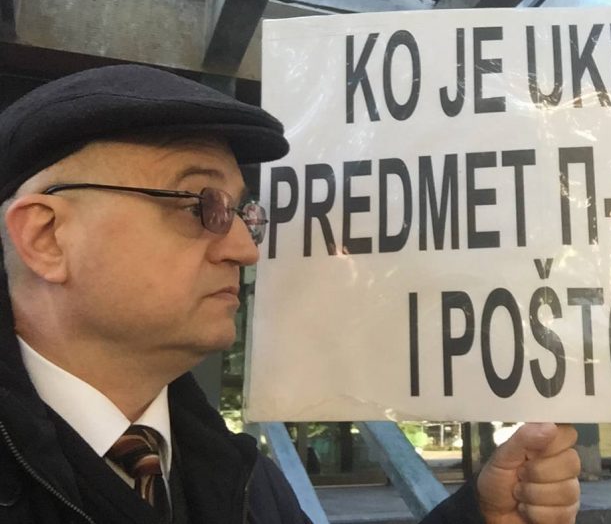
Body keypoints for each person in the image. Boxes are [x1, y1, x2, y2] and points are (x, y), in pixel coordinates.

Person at [0, 65, 581, 523]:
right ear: (46, 237)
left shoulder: (247, 481)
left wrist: (480, 516)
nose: (245, 250)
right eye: (202, 204)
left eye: (243, 214)